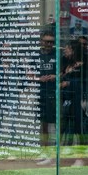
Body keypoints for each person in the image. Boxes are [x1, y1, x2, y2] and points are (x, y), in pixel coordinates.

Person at [36, 31, 57, 163]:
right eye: (47, 41)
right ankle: (45, 151)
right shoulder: (35, 56)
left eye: (51, 42)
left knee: (58, 124)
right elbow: (29, 73)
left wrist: (56, 76)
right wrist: (38, 78)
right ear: (41, 42)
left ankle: (56, 154)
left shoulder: (57, 55)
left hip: (55, 93)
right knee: (43, 124)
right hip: (41, 92)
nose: (49, 44)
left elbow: (65, 71)